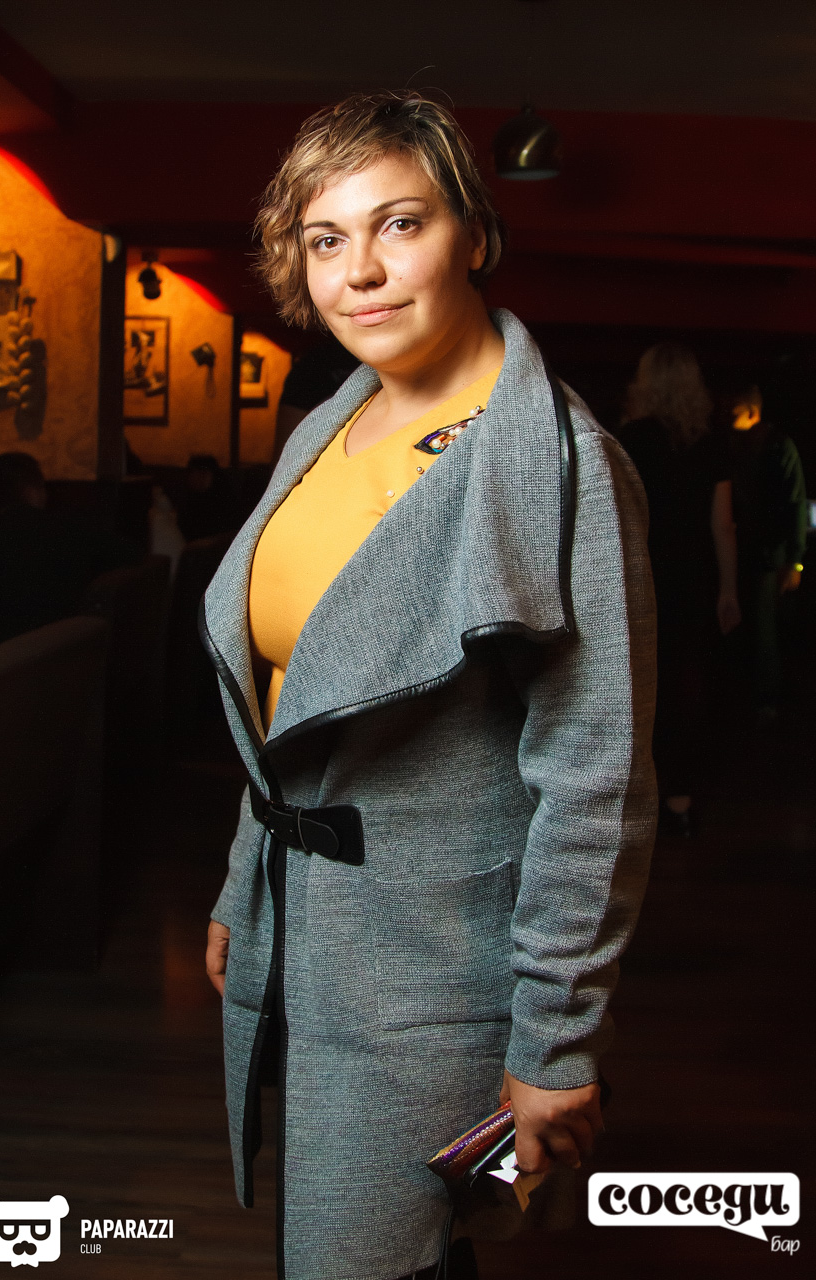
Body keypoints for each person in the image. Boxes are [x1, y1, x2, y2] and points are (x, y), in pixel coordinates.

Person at [200, 92, 657, 1280]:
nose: (360, 270)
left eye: (398, 223)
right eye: (326, 237)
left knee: (370, 1253)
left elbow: (595, 778)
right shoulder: (326, 424)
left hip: (437, 975)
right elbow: (290, 698)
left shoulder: (563, 463)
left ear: (473, 233)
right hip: (304, 929)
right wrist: (246, 883)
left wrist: (556, 1038)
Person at [618, 344, 741, 836]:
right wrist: (728, 590)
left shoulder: (629, 440)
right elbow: (722, 525)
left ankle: (640, 802)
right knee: (689, 690)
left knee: (640, 690)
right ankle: (681, 801)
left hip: (642, 578)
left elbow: (616, 520)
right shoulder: (710, 444)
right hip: (693, 579)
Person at [0, 451, 138, 649]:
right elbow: (131, 554)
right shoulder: (71, 529)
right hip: (69, 648)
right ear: (34, 489)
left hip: (2, 657)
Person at [730, 384, 807, 722]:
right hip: (750, 549)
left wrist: (795, 560)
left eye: (734, 411)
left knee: (763, 627)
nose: (727, 417)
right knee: (751, 625)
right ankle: (751, 697)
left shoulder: (776, 445)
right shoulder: (738, 445)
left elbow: (795, 503)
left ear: (750, 410)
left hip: (765, 552)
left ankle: (765, 698)